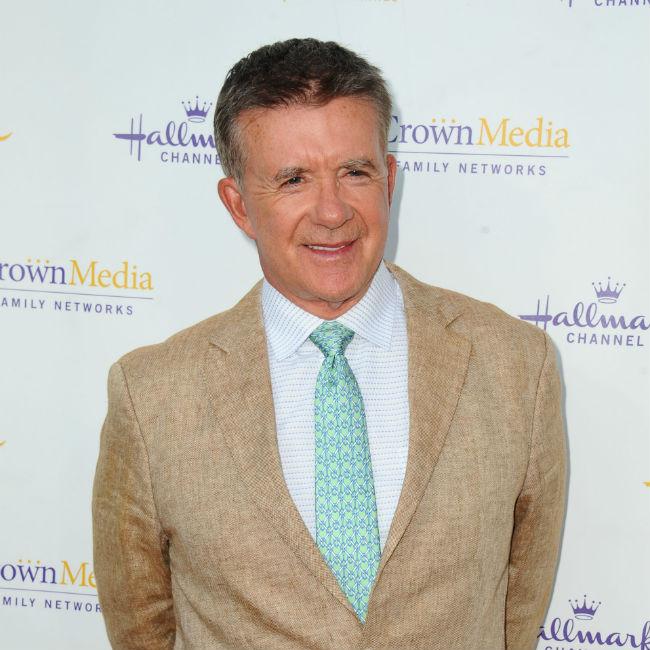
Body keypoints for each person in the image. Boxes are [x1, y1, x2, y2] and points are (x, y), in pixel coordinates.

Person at [92, 38, 567, 650]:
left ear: (388, 180)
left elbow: (516, 614)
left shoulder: (516, 366)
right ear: (238, 205)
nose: (332, 211)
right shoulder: (152, 396)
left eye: (354, 172)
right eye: (293, 179)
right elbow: (140, 626)